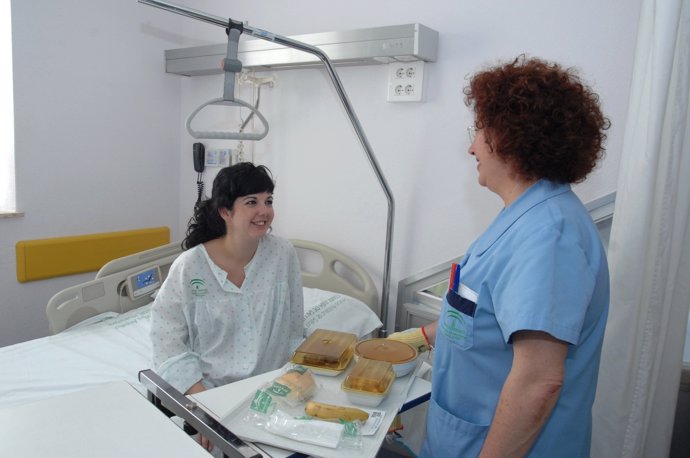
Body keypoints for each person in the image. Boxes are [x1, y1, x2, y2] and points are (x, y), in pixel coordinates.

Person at [389, 55, 610, 457]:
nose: (472, 146)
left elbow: (539, 381)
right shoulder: (526, 214)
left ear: (509, 138)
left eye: (479, 130)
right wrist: (422, 338)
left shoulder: (548, 235)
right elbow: (488, 316)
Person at [150, 162, 304, 447]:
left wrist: (296, 381)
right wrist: (201, 408)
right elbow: (167, 340)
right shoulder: (191, 266)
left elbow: (295, 326)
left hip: (273, 391)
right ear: (225, 212)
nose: (264, 210)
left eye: (268, 200)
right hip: (211, 396)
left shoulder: (283, 254)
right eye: (251, 202)